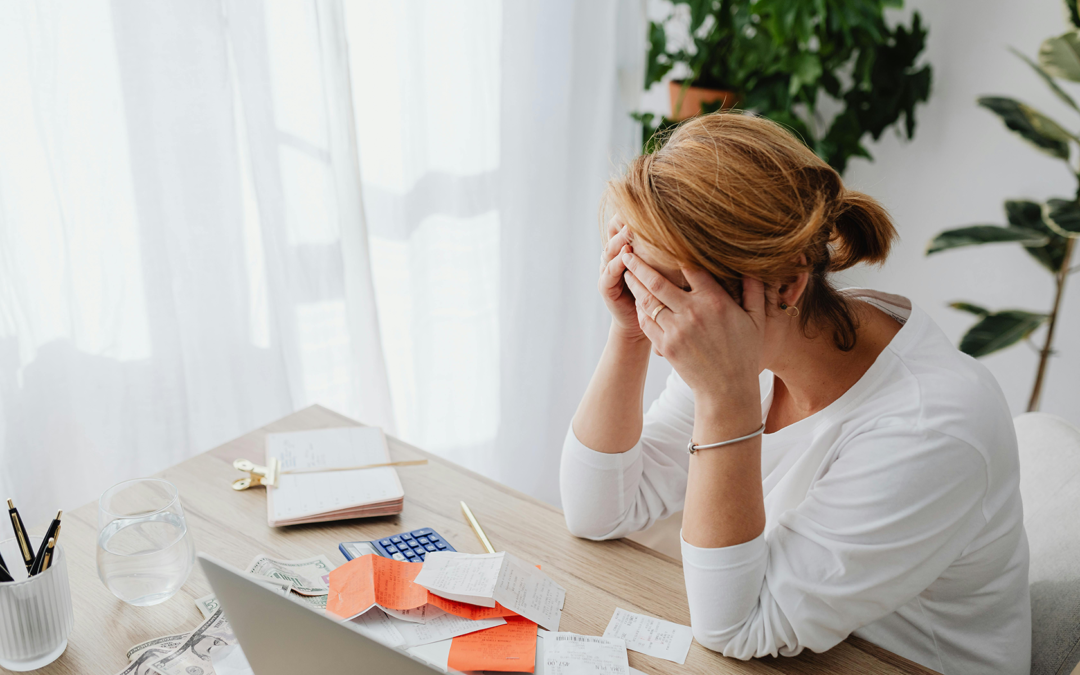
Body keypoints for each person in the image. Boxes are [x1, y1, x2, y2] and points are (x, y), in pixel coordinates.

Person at [560, 112, 1030, 674]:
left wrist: (725, 399)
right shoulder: (760, 334)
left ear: (785, 285)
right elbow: (598, 511)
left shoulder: (932, 427)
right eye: (641, 284)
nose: (665, 323)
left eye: (671, 294)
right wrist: (629, 331)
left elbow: (734, 626)